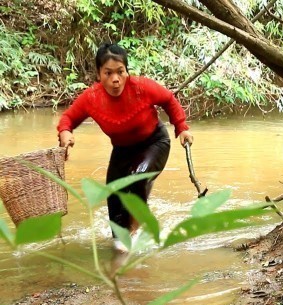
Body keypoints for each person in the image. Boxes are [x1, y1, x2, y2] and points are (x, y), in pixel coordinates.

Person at [57, 42, 193, 253]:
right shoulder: (92, 98)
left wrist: (181, 128)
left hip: (154, 143)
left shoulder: (141, 87)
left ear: (127, 71)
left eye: (120, 72)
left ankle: (134, 233)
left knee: (137, 177)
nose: (115, 79)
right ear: (99, 74)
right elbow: (68, 118)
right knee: (114, 196)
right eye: (108, 73)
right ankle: (120, 240)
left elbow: (168, 99)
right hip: (122, 150)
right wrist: (65, 132)